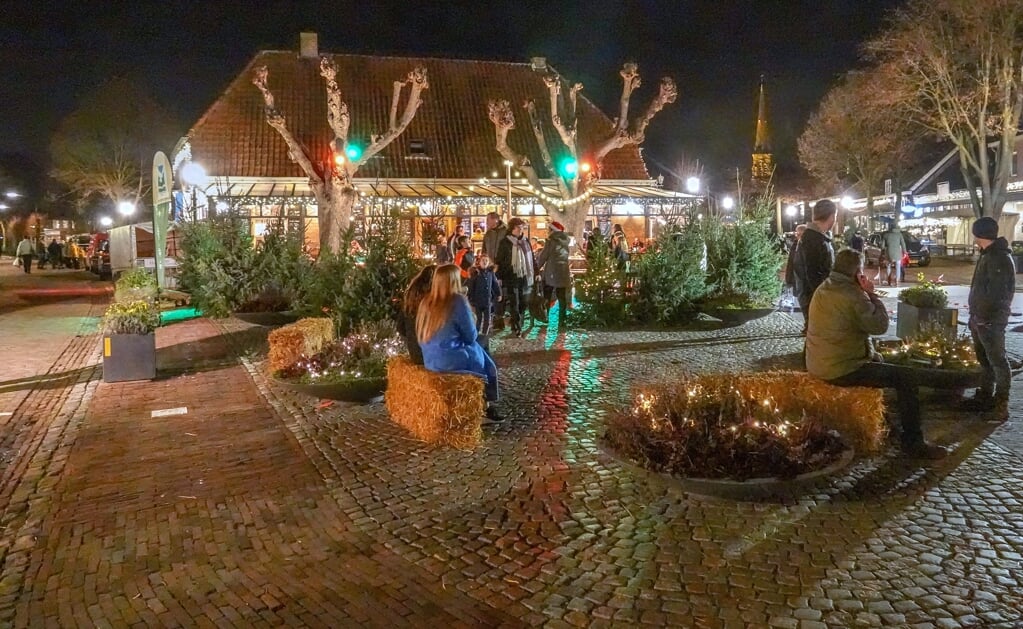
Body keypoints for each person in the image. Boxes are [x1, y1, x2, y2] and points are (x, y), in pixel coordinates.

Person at [806, 249, 946, 459]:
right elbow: (879, 326)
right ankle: (913, 442)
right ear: (857, 272)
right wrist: (871, 294)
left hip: (818, 361)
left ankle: (888, 425)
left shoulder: (823, 288)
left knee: (882, 362)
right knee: (906, 377)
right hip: (842, 367)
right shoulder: (852, 294)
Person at [416, 264, 502, 423]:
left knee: (481, 346)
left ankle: (485, 402)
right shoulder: (457, 301)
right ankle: (487, 402)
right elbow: (470, 336)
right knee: (483, 345)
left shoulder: (426, 302)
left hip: (431, 360)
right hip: (453, 360)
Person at [960, 217, 1015, 421]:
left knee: (997, 361)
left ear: (979, 235)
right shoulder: (988, 255)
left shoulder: (998, 258)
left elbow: (997, 294)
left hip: (990, 320)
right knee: (985, 360)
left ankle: (1000, 404)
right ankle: (985, 396)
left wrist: (984, 317)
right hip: (981, 318)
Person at [793, 199, 837, 334]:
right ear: (831, 216)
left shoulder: (816, 237)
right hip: (814, 297)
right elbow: (812, 273)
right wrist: (824, 296)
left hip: (813, 296)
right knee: (818, 335)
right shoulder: (814, 239)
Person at [495, 217, 535, 337]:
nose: (521, 229)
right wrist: (499, 276)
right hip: (511, 276)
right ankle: (516, 326)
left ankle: (517, 321)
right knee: (514, 302)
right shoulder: (505, 242)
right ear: (513, 228)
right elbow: (499, 260)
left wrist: (536, 273)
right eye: (519, 227)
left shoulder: (525, 241)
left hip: (524, 276)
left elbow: (531, 258)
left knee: (523, 302)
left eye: (522, 227)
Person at [396, 265, 436, 365]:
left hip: (415, 354)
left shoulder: (410, 302)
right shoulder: (434, 301)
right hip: (432, 356)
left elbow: (400, 328)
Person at [535, 220, 572, 325]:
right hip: (563, 271)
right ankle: (562, 320)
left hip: (551, 272)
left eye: (549, 229)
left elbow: (543, 256)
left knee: (547, 295)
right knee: (562, 297)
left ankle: (546, 317)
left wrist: (536, 268)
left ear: (552, 230)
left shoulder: (551, 241)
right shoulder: (565, 241)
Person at [466, 253, 501, 346]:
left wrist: (498, 294)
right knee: (478, 318)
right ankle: (476, 334)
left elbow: (495, 284)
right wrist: (470, 297)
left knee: (487, 318)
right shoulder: (476, 273)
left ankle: (485, 334)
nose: (485, 262)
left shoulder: (491, 273)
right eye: (483, 261)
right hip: (478, 300)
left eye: (486, 261)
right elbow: (471, 286)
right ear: (479, 262)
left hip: (488, 300)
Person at [483, 212, 509, 329]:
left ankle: (499, 318)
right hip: (490, 267)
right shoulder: (488, 234)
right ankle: (495, 318)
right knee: (492, 292)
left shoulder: (506, 232)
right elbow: (484, 250)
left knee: (500, 292)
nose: (486, 222)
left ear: (495, 220)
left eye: (488, 220)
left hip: (502, 267)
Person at [784, 224, 807, 291]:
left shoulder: (807, 247)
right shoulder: (794, 246)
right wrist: (788, 281)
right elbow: (790, 263)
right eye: (797, 233)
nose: (797, 236)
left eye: (799, 234)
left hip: (803, 283)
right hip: (795, 281)